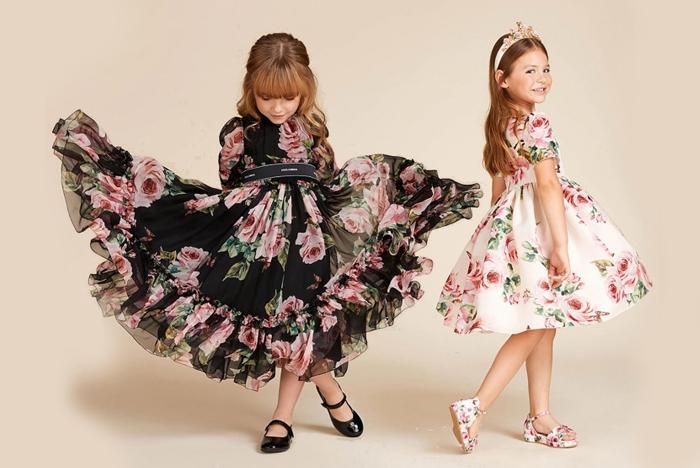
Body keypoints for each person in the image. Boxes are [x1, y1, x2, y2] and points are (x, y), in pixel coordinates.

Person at [51, 32, 482, 453]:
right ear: (251, 90)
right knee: (282, 324)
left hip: (308, 239)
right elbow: (231, 183)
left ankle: (283, 417)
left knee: (300, 320)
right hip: (257, 242)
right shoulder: (239, 134)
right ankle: (333, 395)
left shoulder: (312, 131)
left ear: (305, 91)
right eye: (267, 97)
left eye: (288, 98)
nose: (278, 107)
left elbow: (326, 181)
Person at [436, 22, 652, 453]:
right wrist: (560, 244)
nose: (542, 78)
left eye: (546, 69)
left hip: (515, 226)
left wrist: (496, 237)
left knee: (545, 320)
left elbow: (499, 184)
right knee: (537, 322)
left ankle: (539, 417)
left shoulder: (501, 122)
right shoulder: (535, 124)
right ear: (503, 79)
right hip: (540, 227)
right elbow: (548, 184)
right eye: (530, 71)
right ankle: (477, 405)